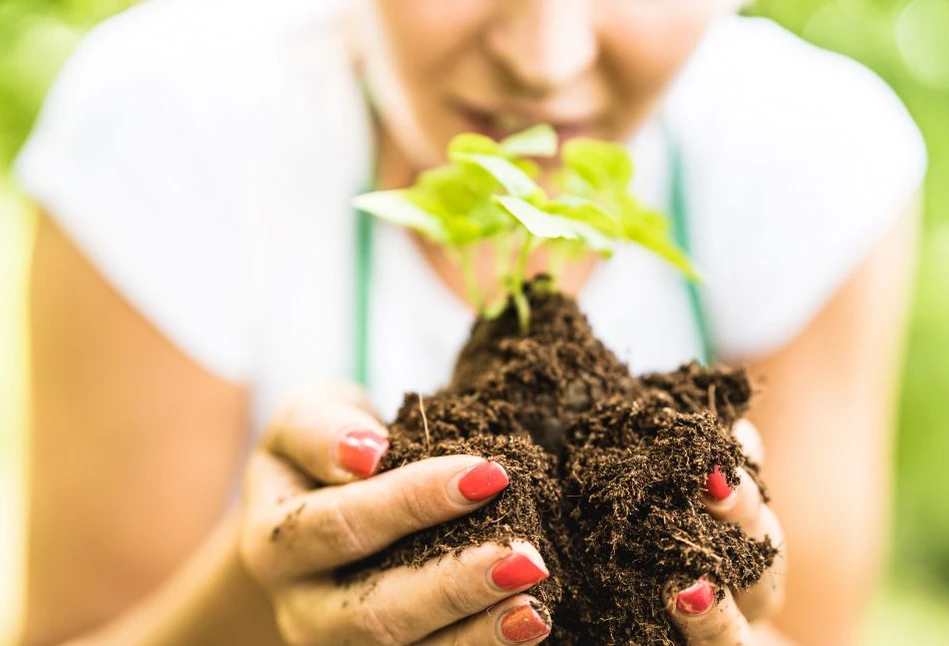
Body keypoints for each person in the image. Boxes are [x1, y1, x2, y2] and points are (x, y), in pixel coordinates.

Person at [14, 0, 926, 644]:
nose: (544, 56)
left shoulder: (818, 157)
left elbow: (804, 628)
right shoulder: (167, 121)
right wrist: (264, 587)